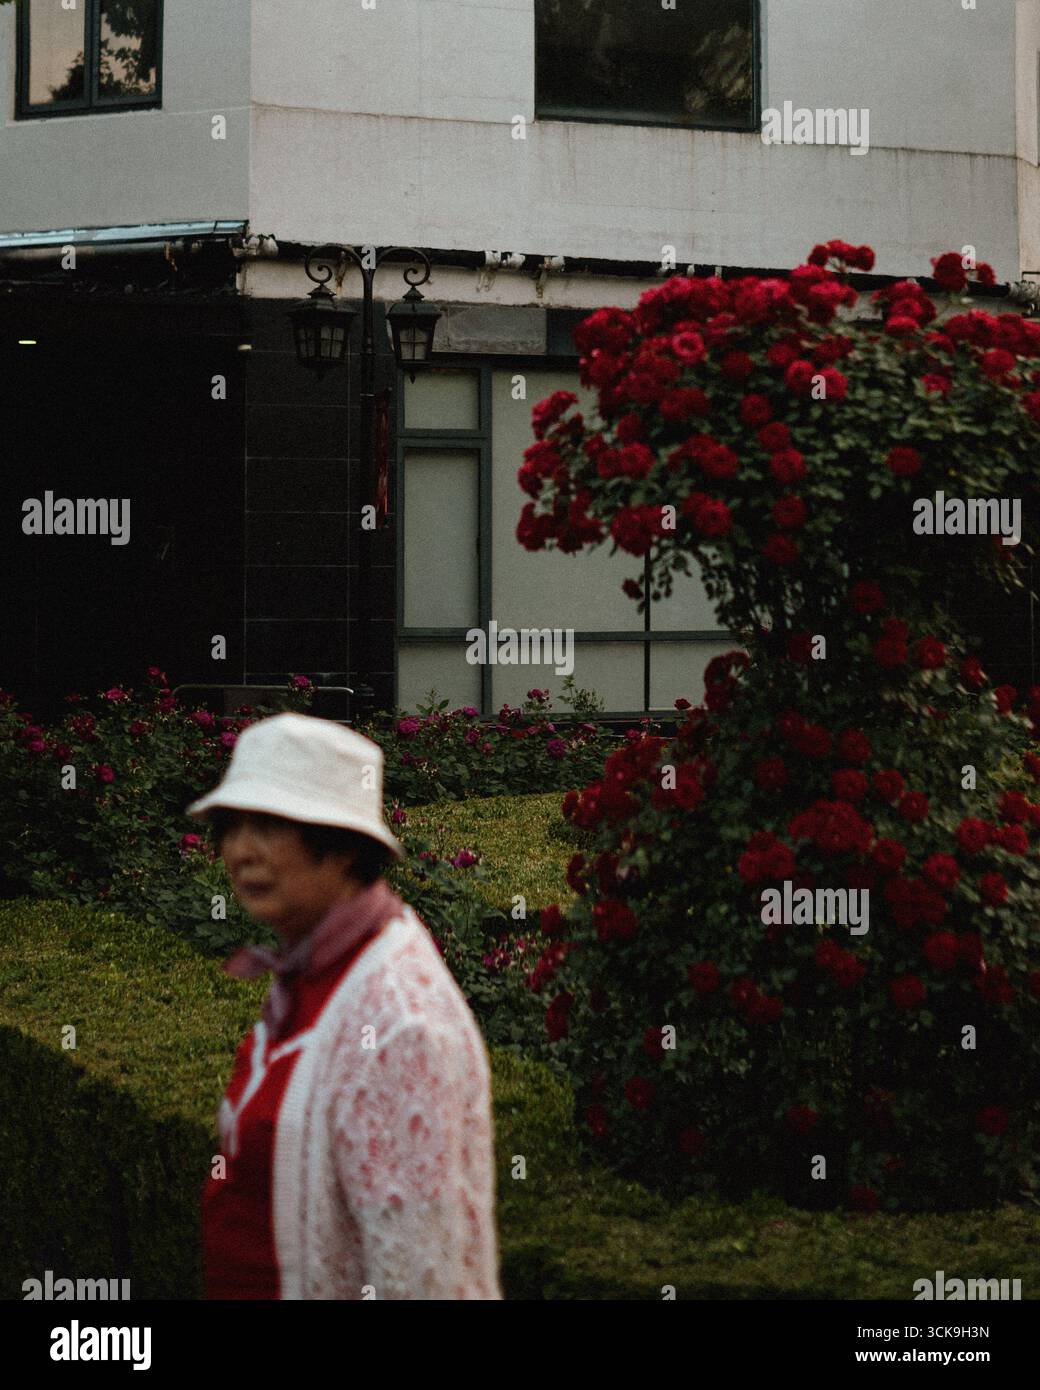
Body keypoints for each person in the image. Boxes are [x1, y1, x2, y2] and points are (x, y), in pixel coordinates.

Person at [188, 711, 502, 1300]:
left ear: (343, 849)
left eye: (271, 825)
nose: (242, 852)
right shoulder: (313, 970)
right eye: (232, 826)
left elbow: (421, 1274)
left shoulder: (401, 1023)